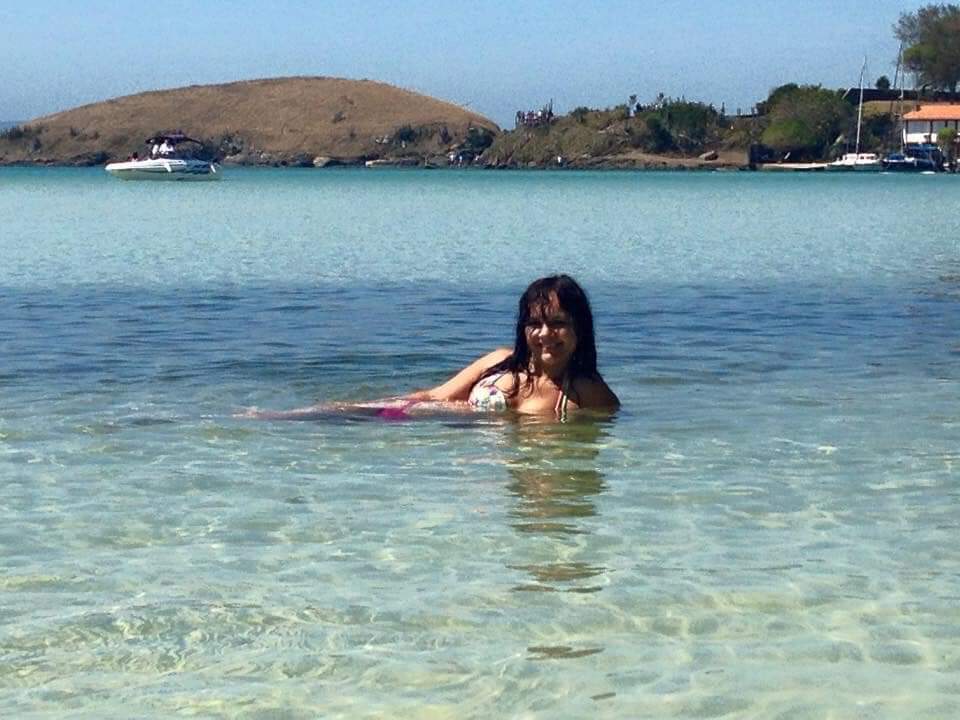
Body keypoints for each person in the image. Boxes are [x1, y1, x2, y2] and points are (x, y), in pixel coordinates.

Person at [241, 275, 619, 421]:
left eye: (558, 324)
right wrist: (388, 405)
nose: (545, 334)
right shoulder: (500, 360)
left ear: (579, 329)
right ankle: (280, 416)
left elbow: (599, 439)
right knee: (333, 416)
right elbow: (437, 395)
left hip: (467, 458)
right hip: (420, 422)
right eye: (535, 323)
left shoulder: (584, 392)